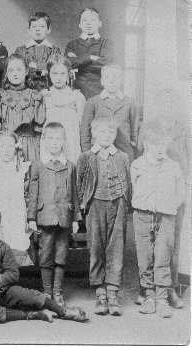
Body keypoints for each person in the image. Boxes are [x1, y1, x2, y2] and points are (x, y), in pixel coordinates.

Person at [0, 204, 88, 323]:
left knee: (29, 295)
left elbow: (13, 274)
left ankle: (62, 312)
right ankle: (33, 315)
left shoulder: (3, 247)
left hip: (2, 290)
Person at [76, 118, 131, 316]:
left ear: (115, 135)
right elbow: (79, 184)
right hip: (95, 204)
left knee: (115, 247)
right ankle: (100, 292)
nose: (106, 136)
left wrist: (126, 203)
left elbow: (128, 182)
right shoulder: (86, 157)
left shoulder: (123, 157)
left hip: (118, 203)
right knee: (96, 247)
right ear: (94, 134)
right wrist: (82, 207)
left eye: (110, 132)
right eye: (102, 132)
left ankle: (113, 291)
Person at [131, 121, 185, 318]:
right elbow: (135, 190)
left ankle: (162, 298)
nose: (161, 150)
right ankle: (149, 296)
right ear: (147, 145)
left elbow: (180, 194)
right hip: (143, 216)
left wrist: (169, 206)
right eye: (156, 146)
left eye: (163, 145)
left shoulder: (173, 166)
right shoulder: (137, 165)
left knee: (163, 255)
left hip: (166, 216)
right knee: (145, 256)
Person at [27, 123, 81, 307]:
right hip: (44, 217)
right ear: (43, 140)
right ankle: (47, 291)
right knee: (46, 256)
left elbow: (74, 192)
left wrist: (76, 218)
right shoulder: (37, 164)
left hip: (64, 217)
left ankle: (58, 292)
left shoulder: (70, 166)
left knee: (61, 255)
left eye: (58, 139)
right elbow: (32, 192)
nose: (54, 143)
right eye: (50, 138)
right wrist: (31, 217)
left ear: (64, 141)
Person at [0, 131, 31, 266]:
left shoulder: (22, 168)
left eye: (10, 146)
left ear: (16, 148)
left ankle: (13, 280)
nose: (6, 150)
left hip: (15, 215)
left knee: (15, 244)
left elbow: (27, 194)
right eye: (3, 146)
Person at [80, 64, 141, 160]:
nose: (112, 81)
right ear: (102, 81)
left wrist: (132, 149)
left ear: (121, 81)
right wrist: (88, 153)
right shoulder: (93, 102)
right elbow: (85, 131)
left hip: (124, 151)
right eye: (107, 77)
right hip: (99, 153)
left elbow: (135, 131)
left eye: (116, 77)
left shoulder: (130, 103)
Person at [0, 54, 46, 163]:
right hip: (7, 147)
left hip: (30, 146)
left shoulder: (35, 96)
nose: (15, 73)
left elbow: (39, 128)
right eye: (11, 70)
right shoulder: (1, 96)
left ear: (26, 71)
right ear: (6, 73)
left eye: (19, 69)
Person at [42, 54, 86, 164]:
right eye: (55, 73)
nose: (58, 77)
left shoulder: (77, 96)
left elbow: (83, 125)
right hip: (50, 142)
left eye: (62, 73)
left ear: (69, 74)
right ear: (48, 74)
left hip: (71, 141)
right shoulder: (44, 96)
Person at [65, 8, 112, 99]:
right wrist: (89, 57)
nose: (88, 23)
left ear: (100, 23)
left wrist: (78, 61)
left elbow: (105, 64)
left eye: (93, 20)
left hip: (99, 91)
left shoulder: (106, 43)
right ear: (80, 25)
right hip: (76, 91)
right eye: (85, 20)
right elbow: (68, 64)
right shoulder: (72, 44)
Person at [13, 12, 62, 91]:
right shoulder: (20, 50)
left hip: (50, 90)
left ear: (48, 30)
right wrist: (45, 67)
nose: (37, 29)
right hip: (26, 90)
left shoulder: (55, 50)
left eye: (42, 26)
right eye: (34, 26)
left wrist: (35, 66)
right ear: (29, 30)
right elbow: (19, 70)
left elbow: (56, 70)